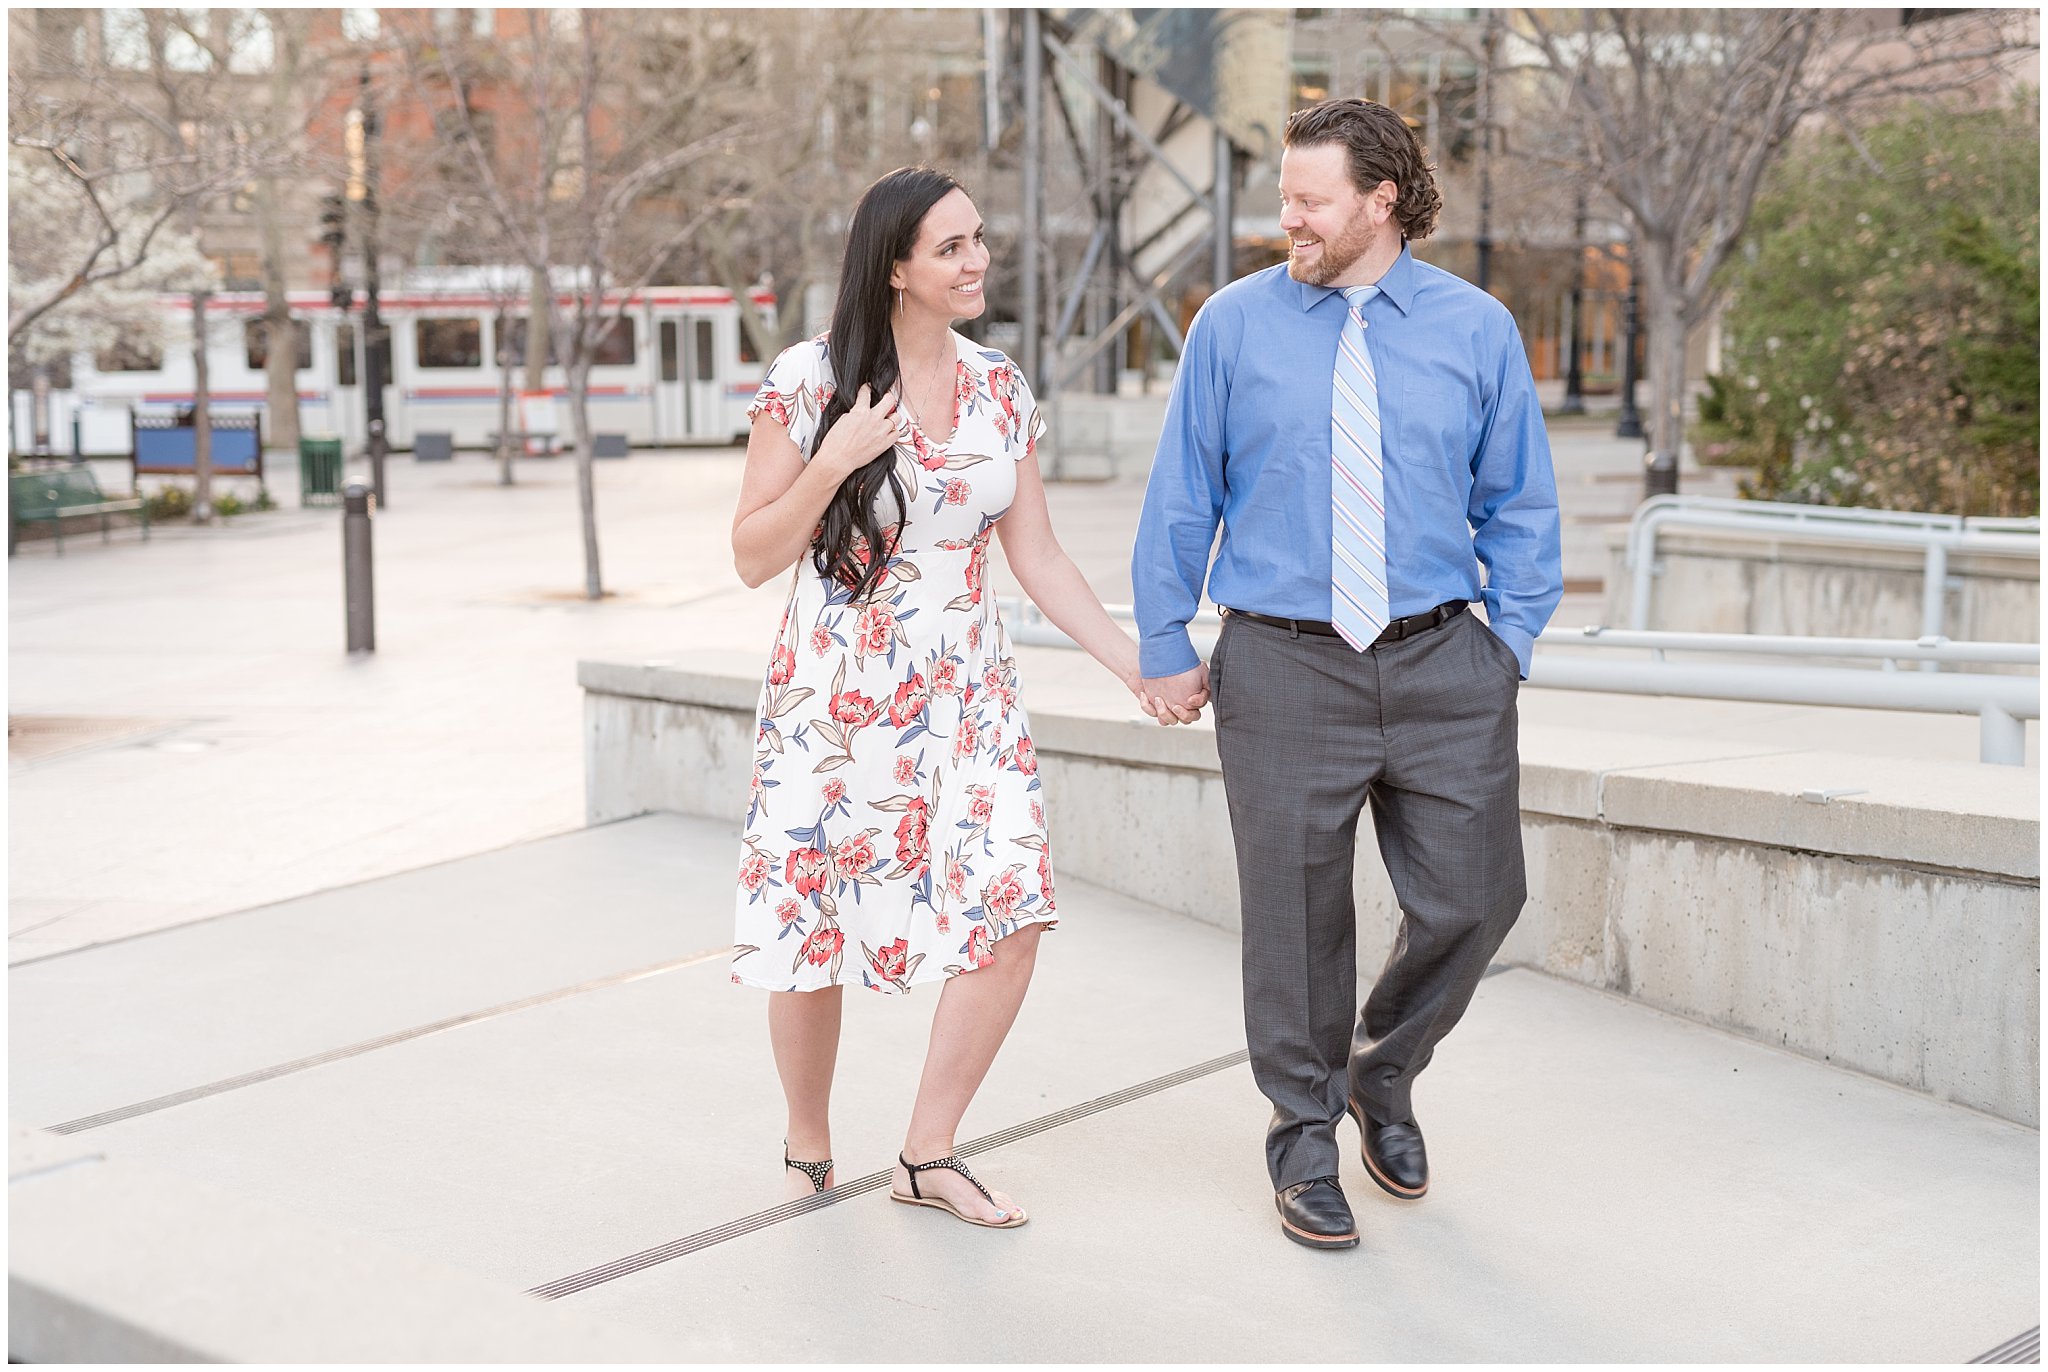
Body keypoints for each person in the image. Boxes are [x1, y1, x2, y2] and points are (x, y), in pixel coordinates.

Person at [1131, 99, 1563, 1250]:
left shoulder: (1475, 329)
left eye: (1310, 200)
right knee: (1294, 922)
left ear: (1381, 200)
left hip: (1442, 661)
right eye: (1285, 198)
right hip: (1277, 664)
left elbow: (1517, 499)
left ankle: (1385, 1066)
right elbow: (1181, 495)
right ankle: (1301, 1138)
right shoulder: (1230, 325)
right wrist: (1164, 642)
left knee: (1477, 898)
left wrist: (1506, 646)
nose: (1289, 220)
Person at [729, 166, 1175, 1229]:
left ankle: (928, 1153)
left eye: (978, 239)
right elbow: (752, 554)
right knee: (812, 925)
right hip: (832, 703)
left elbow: (1042, 557)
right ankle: (807, 1139)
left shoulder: (999, 386)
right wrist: (834, 458)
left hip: (964, 701)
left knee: (1011, 908)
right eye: (950, 247)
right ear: (893, 266)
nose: (977, 261)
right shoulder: (808, 379)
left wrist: (1134, 663)